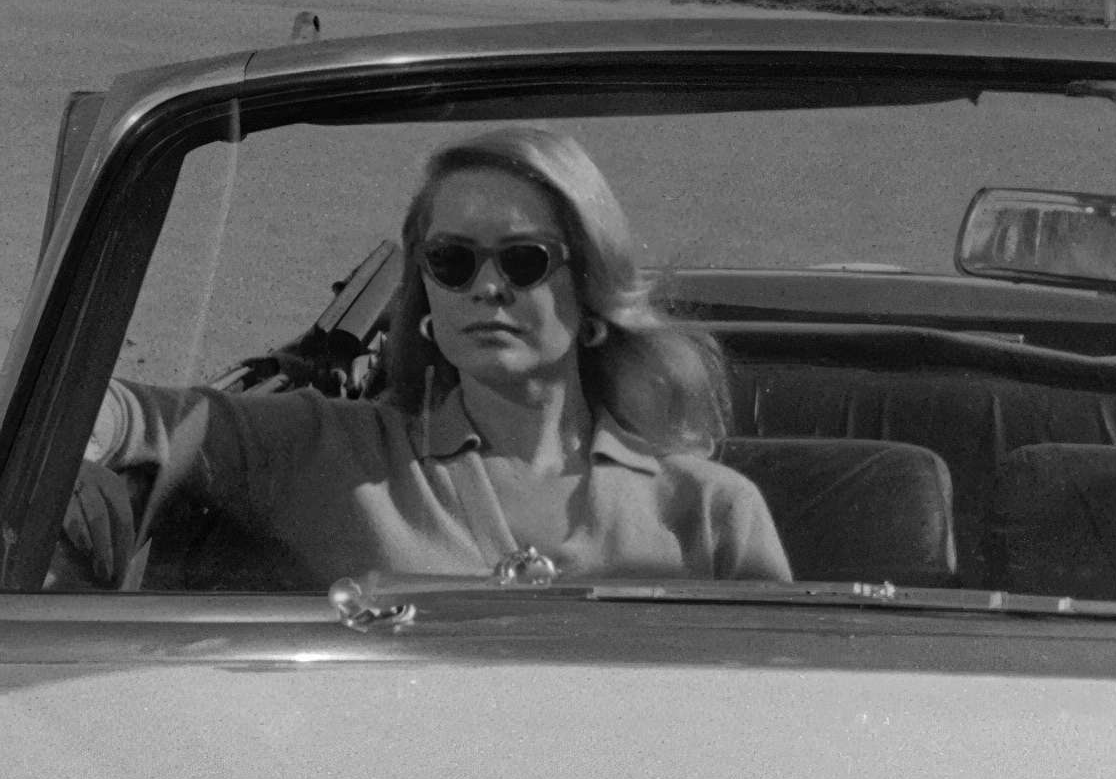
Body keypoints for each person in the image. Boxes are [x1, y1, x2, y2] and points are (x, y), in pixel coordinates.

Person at [81, 126, 792, 589]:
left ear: (590, 284)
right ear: (425, 291)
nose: (487, 287)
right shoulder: (330, 451)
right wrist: (74, 462)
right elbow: (117, 410)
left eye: (524, 259)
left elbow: (785, 722)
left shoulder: (710, 509)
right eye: (452, 261)